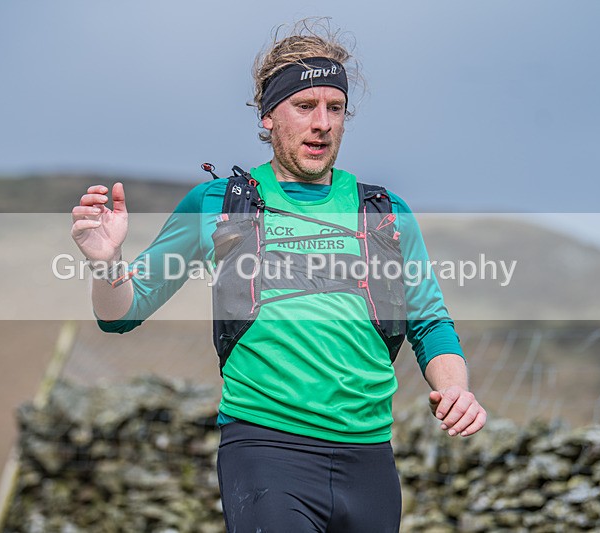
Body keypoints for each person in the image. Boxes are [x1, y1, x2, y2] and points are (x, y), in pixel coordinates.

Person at [71, 20, 486, 533]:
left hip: (369, 458)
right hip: (266, 449)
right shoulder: (219, 204)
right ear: (268, 116)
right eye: (304, 106)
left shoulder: (384, 213)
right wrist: (105, 262)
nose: (322, 123)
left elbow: (429, 323)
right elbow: (123, 312)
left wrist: (457, 389)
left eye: (335, 108)